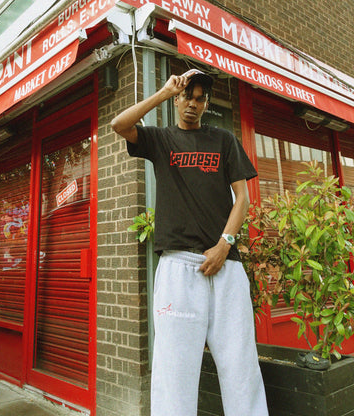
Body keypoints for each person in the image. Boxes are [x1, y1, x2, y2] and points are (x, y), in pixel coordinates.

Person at [111, 69, 269, 416]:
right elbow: (119, 125)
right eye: (187, 97)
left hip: (225, 267)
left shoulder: (224, 141)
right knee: (174, 371)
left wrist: (225, 244)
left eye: (200, 99)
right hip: (178, 269)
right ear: (178, 100)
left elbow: (242, 198)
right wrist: (164, 92)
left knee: (241, 364)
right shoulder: (161, 140)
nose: (192, 104)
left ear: (206, 104)